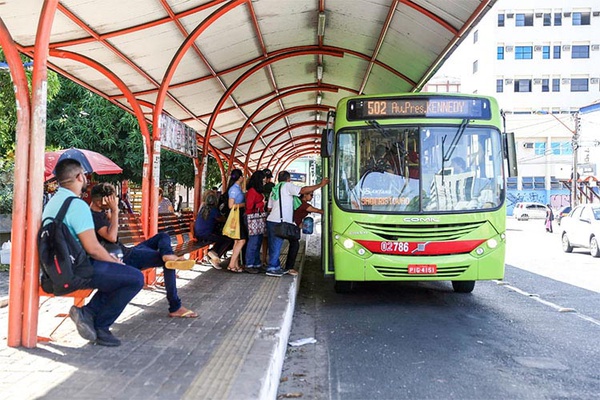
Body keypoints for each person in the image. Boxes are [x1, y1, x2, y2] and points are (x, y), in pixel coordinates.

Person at [43, 159, 144, 347]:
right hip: (75, 271)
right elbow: (94, 249)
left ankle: (88, 313)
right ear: (79, 177)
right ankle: (100, 326)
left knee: (116, 275)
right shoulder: (77, 205)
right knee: (135, 277)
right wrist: (116, 263)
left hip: (55, 268)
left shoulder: (54, 202)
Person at [90, 183, 198, 318]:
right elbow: (111, 237)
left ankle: (168, 255)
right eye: (111, 198)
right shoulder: (94, 217)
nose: (114, 201)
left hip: (129, 251)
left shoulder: (100, 213)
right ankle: (175, 306)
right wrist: (115, 211)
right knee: (168, 263)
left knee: (162, 236)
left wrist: (110, 215)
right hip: (126, 258)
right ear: (103, 200)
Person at [266, 171, 329, 277]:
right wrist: (320, 185)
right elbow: (303, 190)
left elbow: (269, 208)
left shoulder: (274, 190)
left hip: (271, 220)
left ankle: (275, 266)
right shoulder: (287, 186)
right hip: (280, 222)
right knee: (277, 245)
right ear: (288, 179)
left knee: (273, 245)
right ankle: (272, 268)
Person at [284, 192, 323, 275]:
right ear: (305, 195)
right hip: (292, 227)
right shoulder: (303, 204)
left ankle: (287, 267)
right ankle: (289, 268)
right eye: (311, 195)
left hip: (293, 226)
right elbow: (317, 210)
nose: (312, 197)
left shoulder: (300, 203)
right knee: (295, 245)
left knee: (294, 245)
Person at [195, 190, 233, 269]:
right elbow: (222, 219)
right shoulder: (213, 210)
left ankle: (212, 253)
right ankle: (214, 256)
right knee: (228, 239)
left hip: (199, 234)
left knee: (221, 238)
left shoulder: (203, 208)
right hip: (207, 235)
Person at [244, 170, 266, 274]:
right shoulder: (252, 191)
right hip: (252, 217)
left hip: (256, 218)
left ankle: (256, 263)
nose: (265, 180)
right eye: (263, 178)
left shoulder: (256, 190)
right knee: (253, 242)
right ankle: (249, 264)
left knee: (257, 241)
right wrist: (261, 204)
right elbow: (249, 206)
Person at [225, 169, 247, 273]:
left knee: (237, 241)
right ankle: (231, 264)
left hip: (239, 214)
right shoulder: (234, 189)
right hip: (236, 215)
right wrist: (244, 205)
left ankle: (236, 264)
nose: (243, 177)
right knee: (241, 240)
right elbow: (231, 205)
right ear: (239, 177)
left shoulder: (237, 188)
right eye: (242, 176)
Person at [261, 169, 275, 266]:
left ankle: (262, 259)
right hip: (270, 215)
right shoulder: (273, 187)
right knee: (270, 238)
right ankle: (269, 260)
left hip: (258, 215)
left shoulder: (258, 187)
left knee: (261, 239)